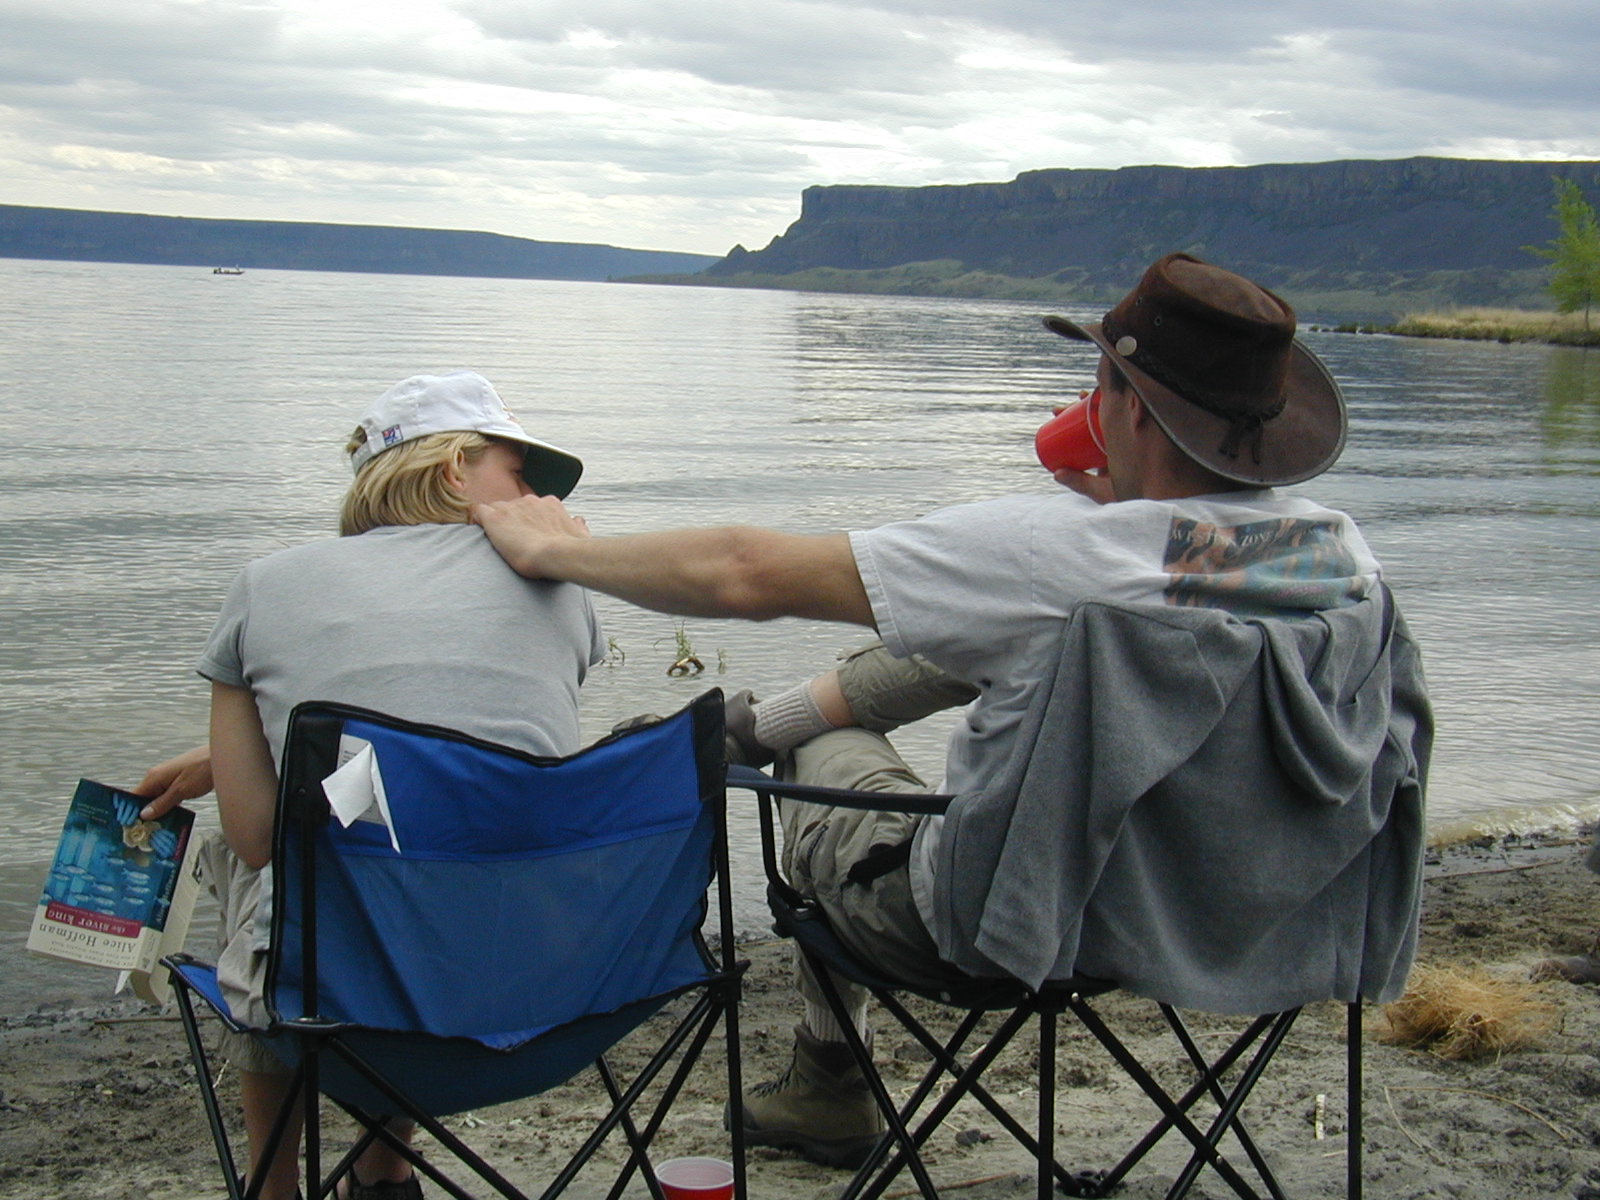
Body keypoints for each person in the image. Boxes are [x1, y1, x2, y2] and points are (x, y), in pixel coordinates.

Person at [470, 252, 1425, 1169]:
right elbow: (1168, 570)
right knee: (1004, 636)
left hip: (1005, 925)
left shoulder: (1057, 554)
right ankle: (758, 726)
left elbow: (744, 572)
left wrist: (551, 548)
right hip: (1234, 915)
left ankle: (828, 1078)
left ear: (1128, 408)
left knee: (835, 739)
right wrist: (1132, 504)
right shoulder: (1342, 559)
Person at [190, 370, 601, 1200]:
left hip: (340, 998)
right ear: (454, 469)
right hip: (541, 987)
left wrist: (224, 758)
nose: (537, 498)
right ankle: (384, 1170)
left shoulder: (267, 585)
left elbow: (256, 836)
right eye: (519, 472)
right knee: (431, 847)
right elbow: (471, 738)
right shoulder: (565, 585)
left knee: (279, 865)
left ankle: (273, 1186)